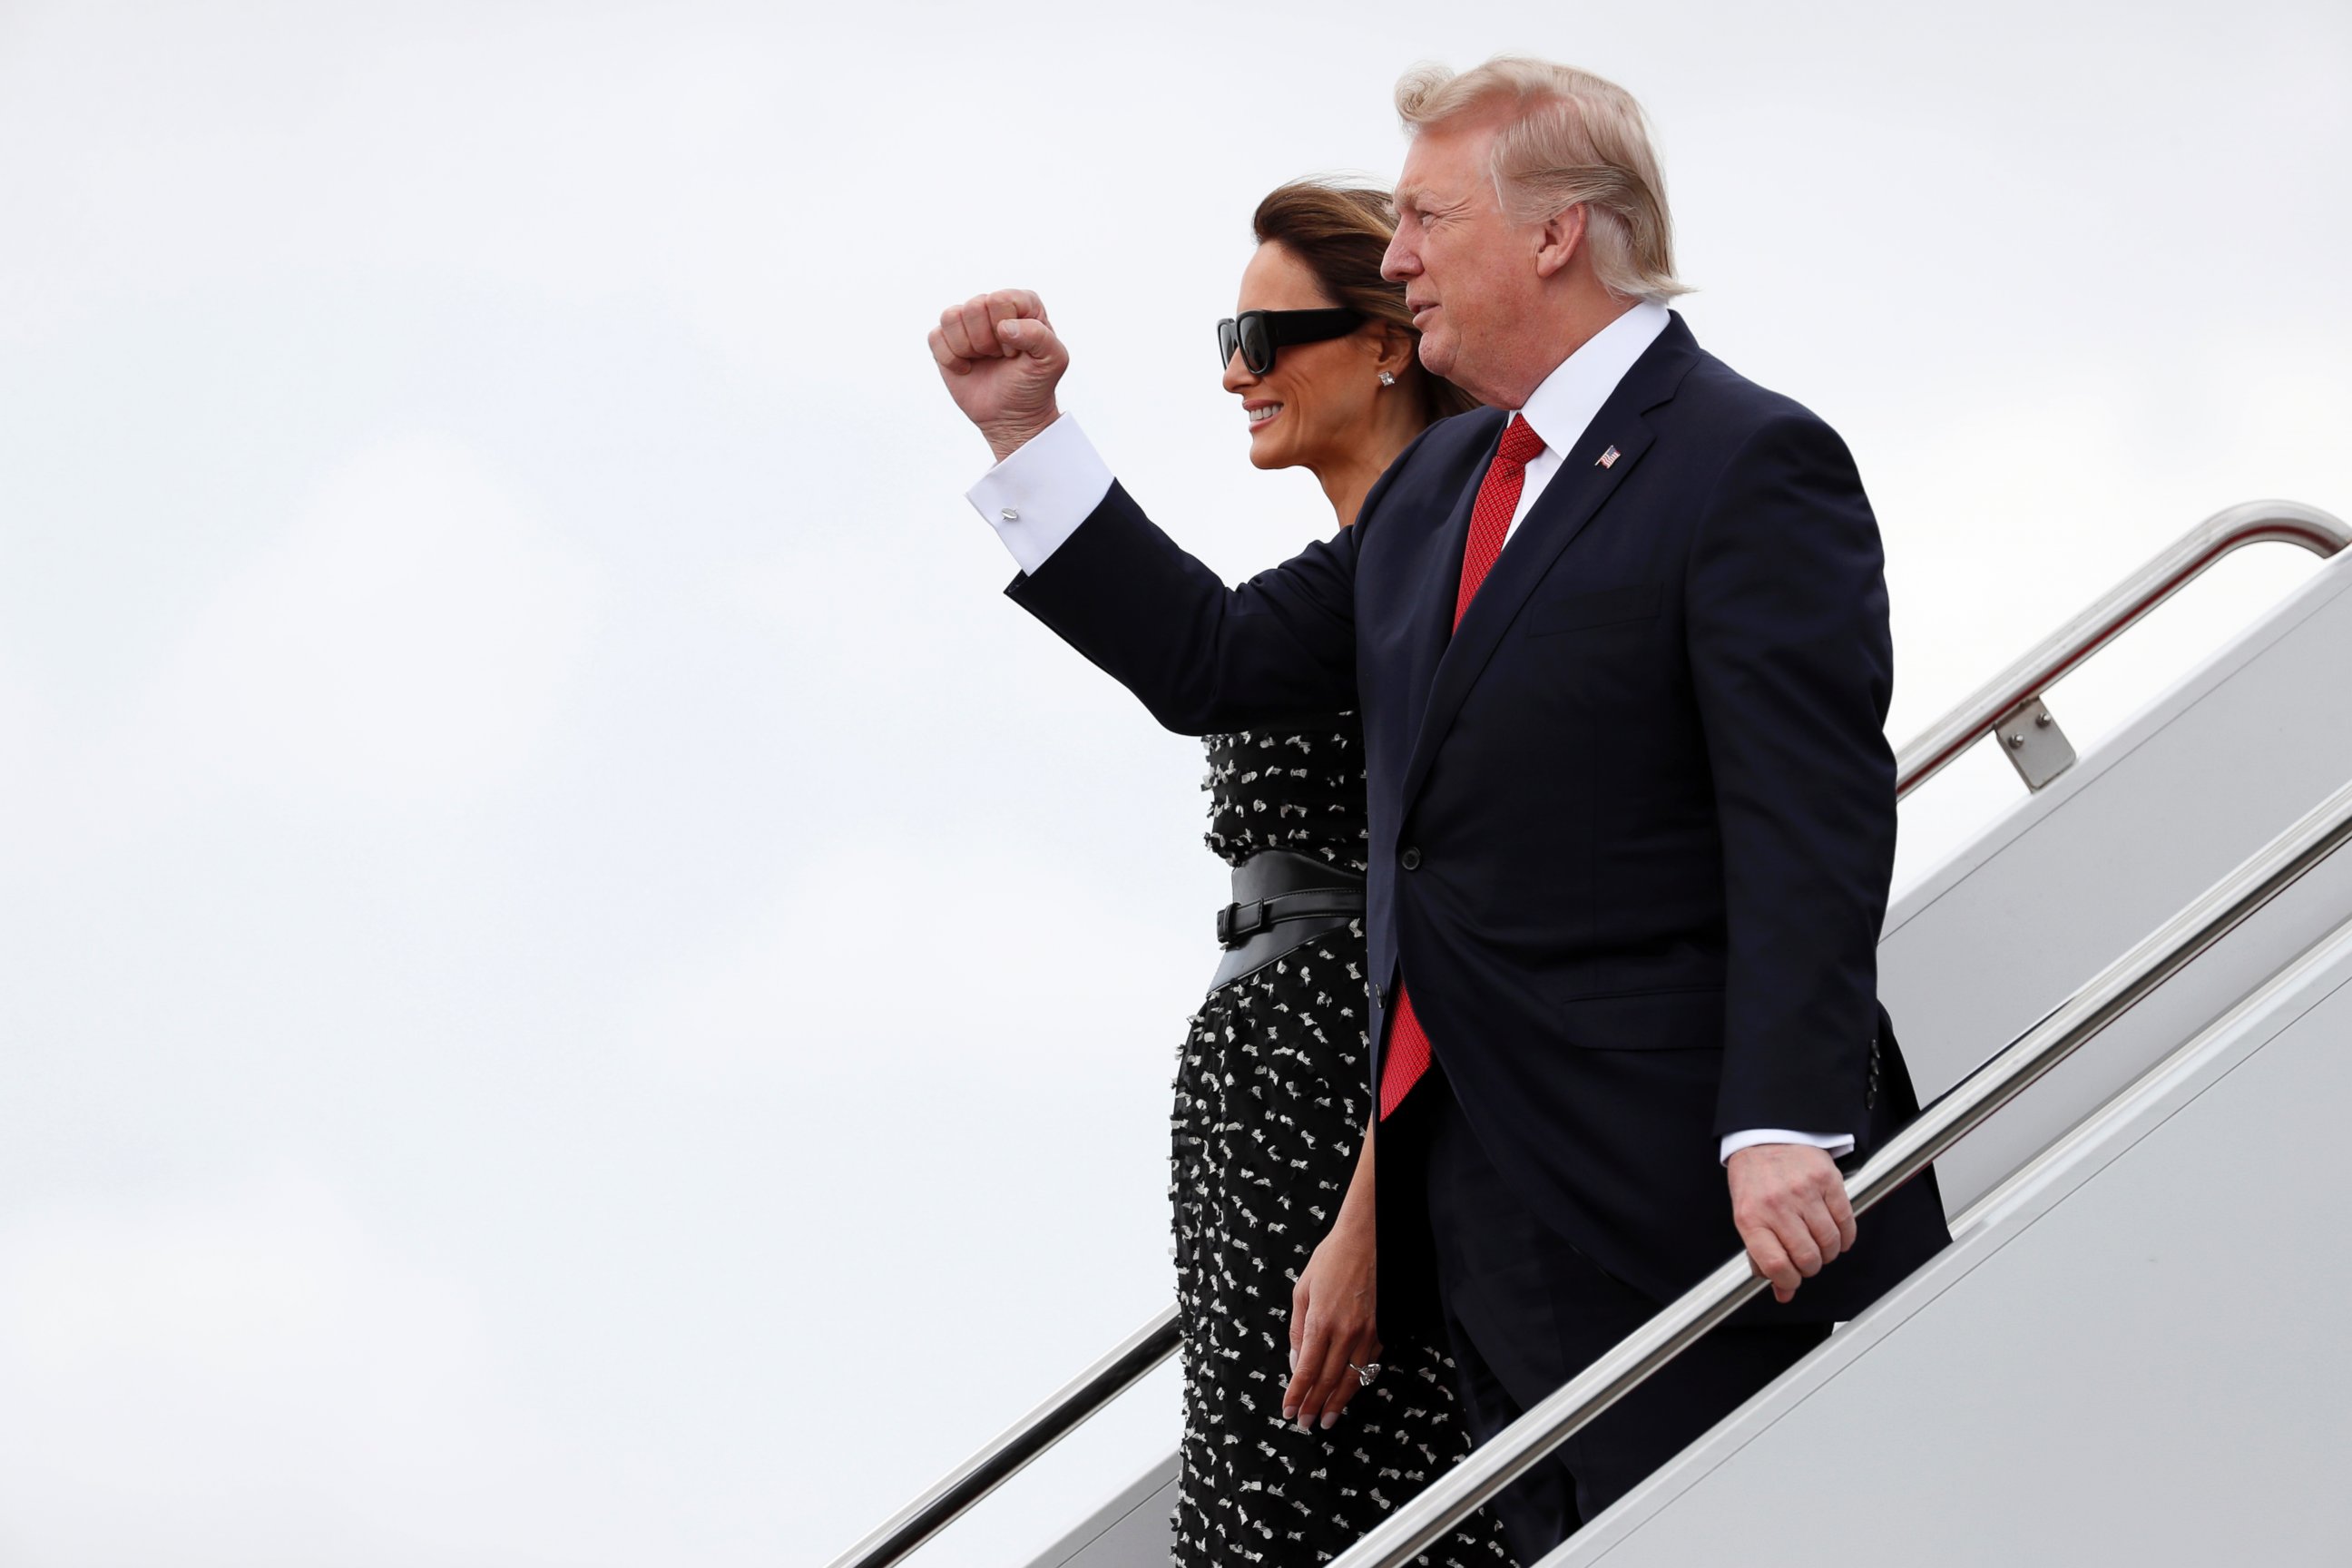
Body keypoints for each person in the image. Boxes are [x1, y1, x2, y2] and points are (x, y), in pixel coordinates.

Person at [928, 57, 1949, 1559]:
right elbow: (1212, 662)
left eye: (1423, 217)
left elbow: (1812, 812)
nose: (1397, 258)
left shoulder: (1745, 459)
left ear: (1556, 233)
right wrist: (1026, 440)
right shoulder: (1447, 482)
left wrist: (1787, 1121)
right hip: (1484, 1208)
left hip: (1685, 1185)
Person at [1157, 181, 1508, 1568]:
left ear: (1382, 342)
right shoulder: (1347, 575)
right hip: (1262, 1096)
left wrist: (1368, 1203)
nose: (1237, 369)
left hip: (1349, 1098)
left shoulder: (1461, 562)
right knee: (1266, 1487)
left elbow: (1460, 899)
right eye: (1225, 332)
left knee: (1330, 1495)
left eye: (1267, 331)